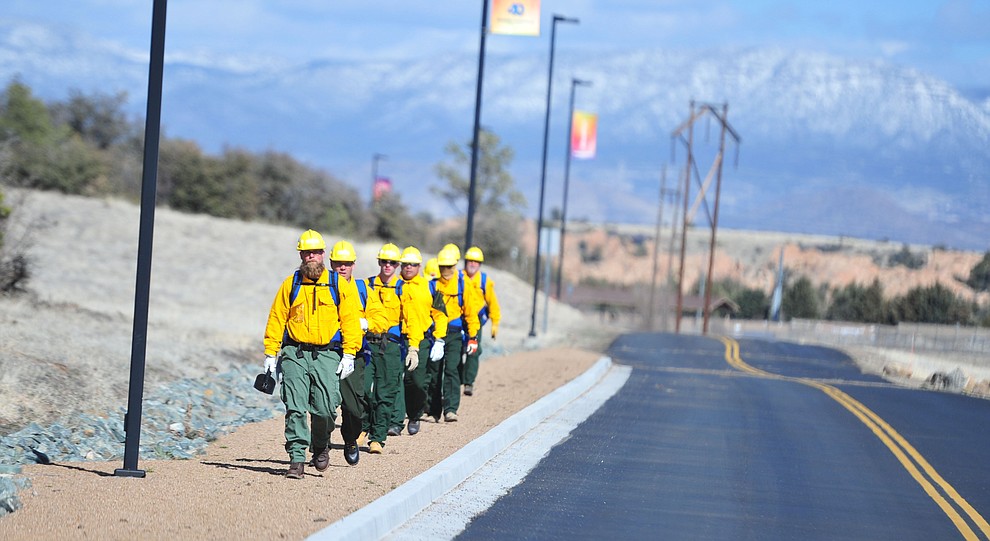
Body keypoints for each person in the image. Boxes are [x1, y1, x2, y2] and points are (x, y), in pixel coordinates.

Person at [263, 230, 362, 479]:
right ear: (301, 254)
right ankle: (296, 458)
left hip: (327, 355)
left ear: (323, 254)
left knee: (326, 408)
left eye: (316, 252)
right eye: (307, 252)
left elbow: (350, 320)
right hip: (295, 353)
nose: (311, 257)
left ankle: (320, 444)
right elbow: (276, 319)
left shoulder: (338, 284)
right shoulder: (291, 283)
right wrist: (270, 354)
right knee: (295, 407)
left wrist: (349, 354)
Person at [390, 246, 447, 435]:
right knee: (396, 379)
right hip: (397, 338)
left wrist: (439, 339)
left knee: (417, 381)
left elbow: (440, 315)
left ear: (419, 266)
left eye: (413, 264)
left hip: (421, 340)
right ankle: (396, 422)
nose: (408, 268)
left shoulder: (431, 287)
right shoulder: (393, 285)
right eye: (405, 264)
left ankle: (415, 414)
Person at [426, 244, 484, 422]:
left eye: (449, 266)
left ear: (455, 266)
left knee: (452, 370)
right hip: (436, 334)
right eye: (443, 266)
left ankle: (450, 409)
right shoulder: (432, 285)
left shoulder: (462, 284)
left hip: (455, 335)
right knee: (434, 371)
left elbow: (470, 313)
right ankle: (432, 411)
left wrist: (473, 337)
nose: (446, 270)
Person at [327, 240, 372, 465]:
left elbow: (382, 316)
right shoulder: (323, 286)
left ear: (353, 264)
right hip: (327, 352)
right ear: (331, 263)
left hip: (355, 353)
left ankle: (351, 439)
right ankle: (321, 441)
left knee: (354, 407)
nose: (342, 268)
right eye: (338, 263)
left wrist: (368, 322)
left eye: (346, 264)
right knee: (323, 402)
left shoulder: (362, 288)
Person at [364, 243, 406, 453]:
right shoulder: (367, 284)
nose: (387, 266)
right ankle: (364, 426)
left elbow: (413, 319)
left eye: (392, 262)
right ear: (379, 262)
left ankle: (377, 438)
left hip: (391, 347)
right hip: (368, 343)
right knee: (361, 390)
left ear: (398, 265)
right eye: (384, 261)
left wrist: (414, 347)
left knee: (385, 393)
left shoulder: (404, 288)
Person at [460, 246, 501, 396]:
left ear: (480, 264)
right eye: (470, 261)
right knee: (456, 349)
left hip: (476, 320)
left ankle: (468, 382)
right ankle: (457, 378)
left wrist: (495, 324)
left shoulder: (485, 281)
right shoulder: (459, 277)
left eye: (475, 262)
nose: (472, 264)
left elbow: (493, 304)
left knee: (474, 350)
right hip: (459, 318)